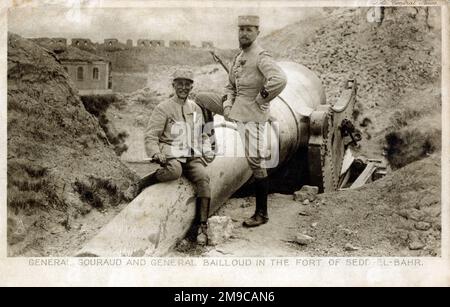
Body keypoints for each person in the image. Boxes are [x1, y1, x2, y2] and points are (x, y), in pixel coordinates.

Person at [195, 15, 287, 227]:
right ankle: (210, 140)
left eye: (248, 29)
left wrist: (260, 99)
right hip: (234, 106)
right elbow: (230, 87)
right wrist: (226, 105)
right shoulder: (239, 57)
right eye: (241, 29)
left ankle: (262, 214)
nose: (244, 33)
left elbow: (280, 79)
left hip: (252, 114)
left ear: (257, 32)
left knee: (256, 161)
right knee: (201, 98)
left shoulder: (261, 56)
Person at [126, 68, 214, 245]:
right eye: (179, 84)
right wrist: (155, 153)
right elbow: (151, 135)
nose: (183, 87)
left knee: (204, 178)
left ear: (191, 86)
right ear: (173, 85)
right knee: (174, 171)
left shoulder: (195, 108)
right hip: (170, 151)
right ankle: (143, 182)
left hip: (190, 154)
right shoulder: (163, 108)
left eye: (187, 84)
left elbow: (203, 134)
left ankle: (201, 227)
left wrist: (206, 148)